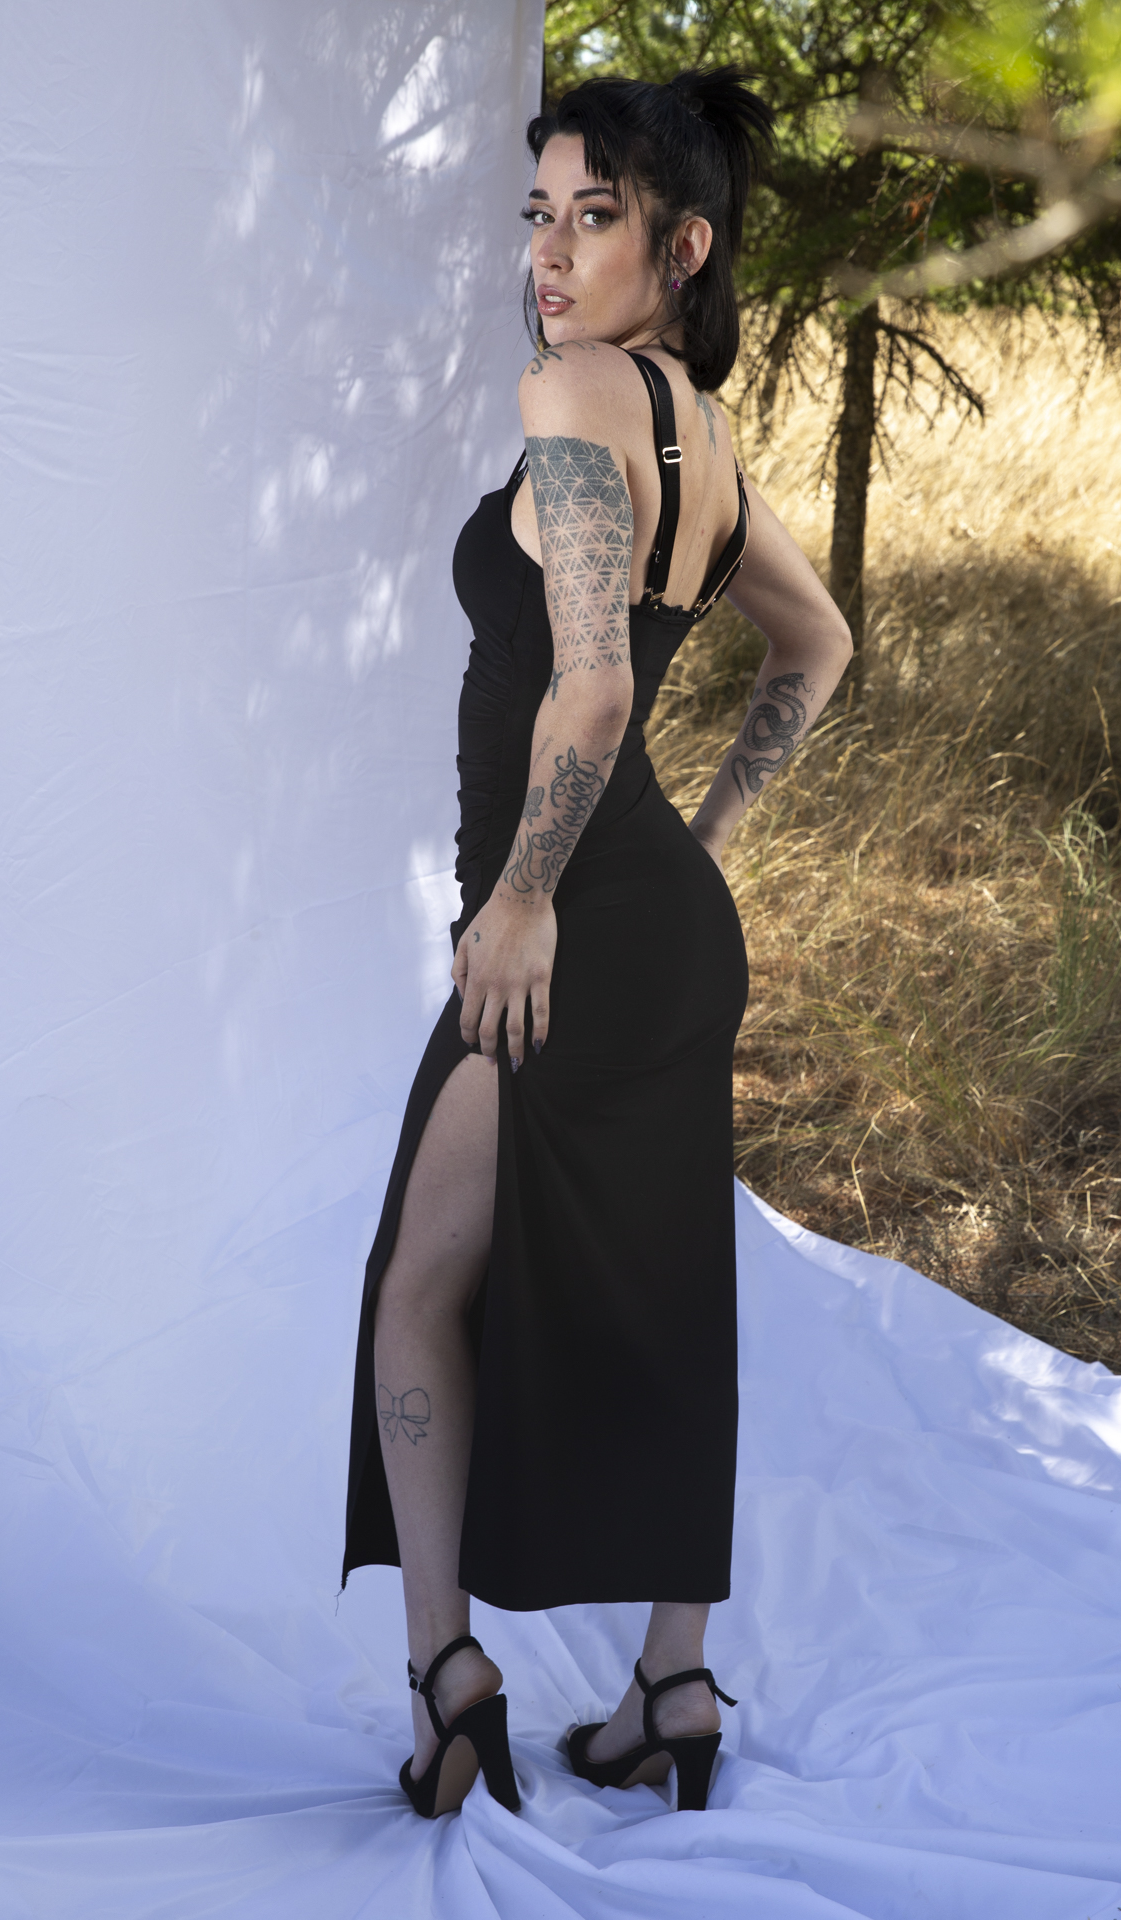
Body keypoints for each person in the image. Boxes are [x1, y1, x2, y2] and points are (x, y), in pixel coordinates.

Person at [341, 67, 853, 1820]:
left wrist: (526, 897)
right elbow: (819, 645)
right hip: (664, 932)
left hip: (560, 927)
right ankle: (671, 1688)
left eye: (596, 217)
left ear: (682, 245)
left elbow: (596, 684)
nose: (550, 255)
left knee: (419, 1286)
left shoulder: (572, 393)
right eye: (538, 216)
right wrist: (689, 855)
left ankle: (449, 1680)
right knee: (667, 1306)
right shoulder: (701, 432)